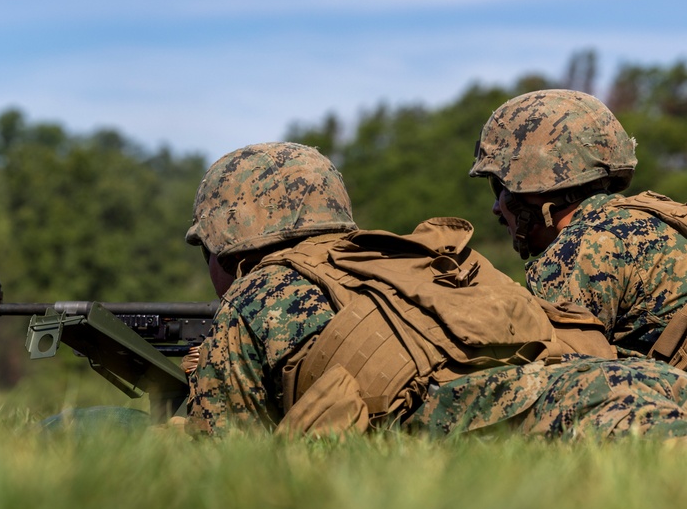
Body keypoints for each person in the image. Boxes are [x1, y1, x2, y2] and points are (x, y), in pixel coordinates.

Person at [182, 140, 687, 441]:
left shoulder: (254, 297)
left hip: (507, 415)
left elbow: (228, 455)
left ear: (229, 248)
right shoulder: (401, 259)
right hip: (606, 377)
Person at [469, 89, 687, 367]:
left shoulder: (584, 248)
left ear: (532, 186)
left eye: (500, 186)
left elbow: (556, 380)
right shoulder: (655, 219)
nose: (497, 208)